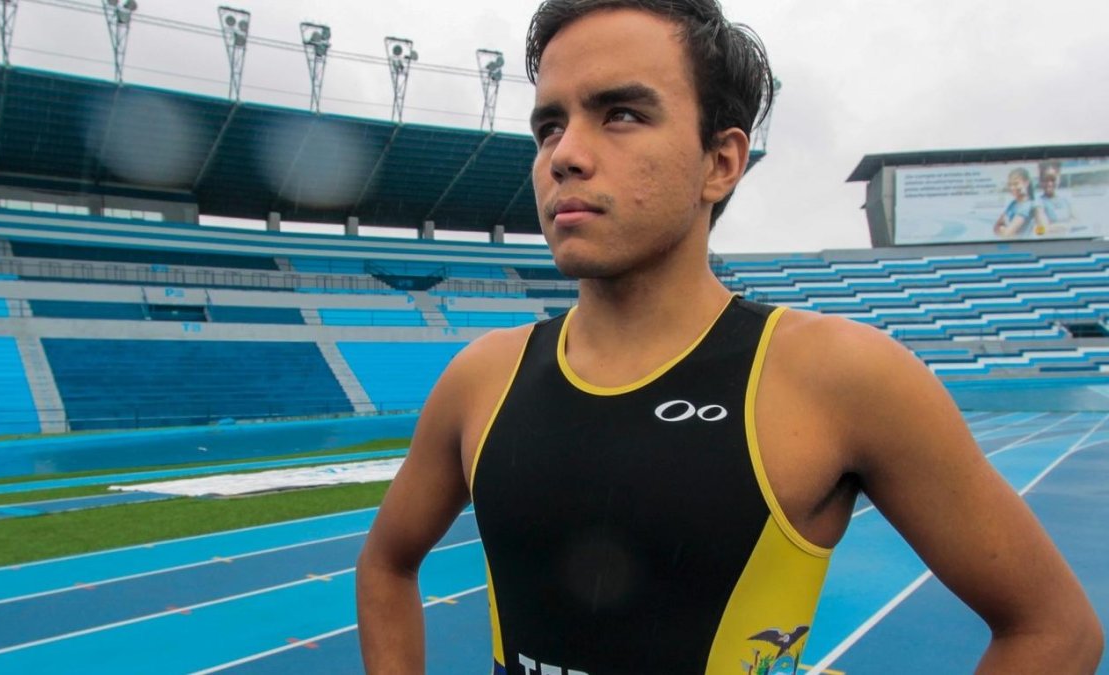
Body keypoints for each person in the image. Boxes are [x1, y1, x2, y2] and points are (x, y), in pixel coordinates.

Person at [356, 1, 1104, 673]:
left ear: (721, 162)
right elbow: (386, 563)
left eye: (619, 114)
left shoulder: (836, 376)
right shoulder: (481, 376)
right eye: (550, 124)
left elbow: (1053, 628)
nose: (565, 155)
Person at [993, 167, 1039, 238]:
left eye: (1016, 184)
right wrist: (1002, 229)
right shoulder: (1013, 204)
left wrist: (1002, 229)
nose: (1012, 188)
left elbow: (1008, 234)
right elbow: (996, 228)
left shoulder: (1027, 205)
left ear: (1026, 183)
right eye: (1010, 184)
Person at [1035, 161, 1077, 235]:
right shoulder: (1038, 203)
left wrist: (1056, 227)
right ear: (1041, 181)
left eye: (1053, 179)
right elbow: (1043, 229)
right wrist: (1067, 225)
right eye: (1046, 180)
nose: (1049, 184)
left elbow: (1078, 222)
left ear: (1059, 179)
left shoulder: (1066, 201)